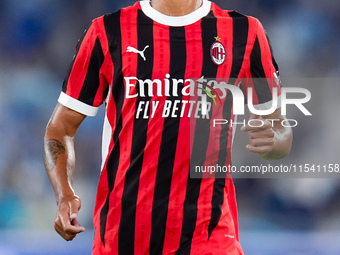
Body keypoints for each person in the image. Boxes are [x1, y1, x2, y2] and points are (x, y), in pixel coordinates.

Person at [43, 0, 293, 254]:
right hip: (124, 234)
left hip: (209, 234)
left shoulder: (245, 32)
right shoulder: (107, 32)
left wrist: (277, 141)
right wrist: (65, 194)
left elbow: (279, 126)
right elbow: (60, 128)